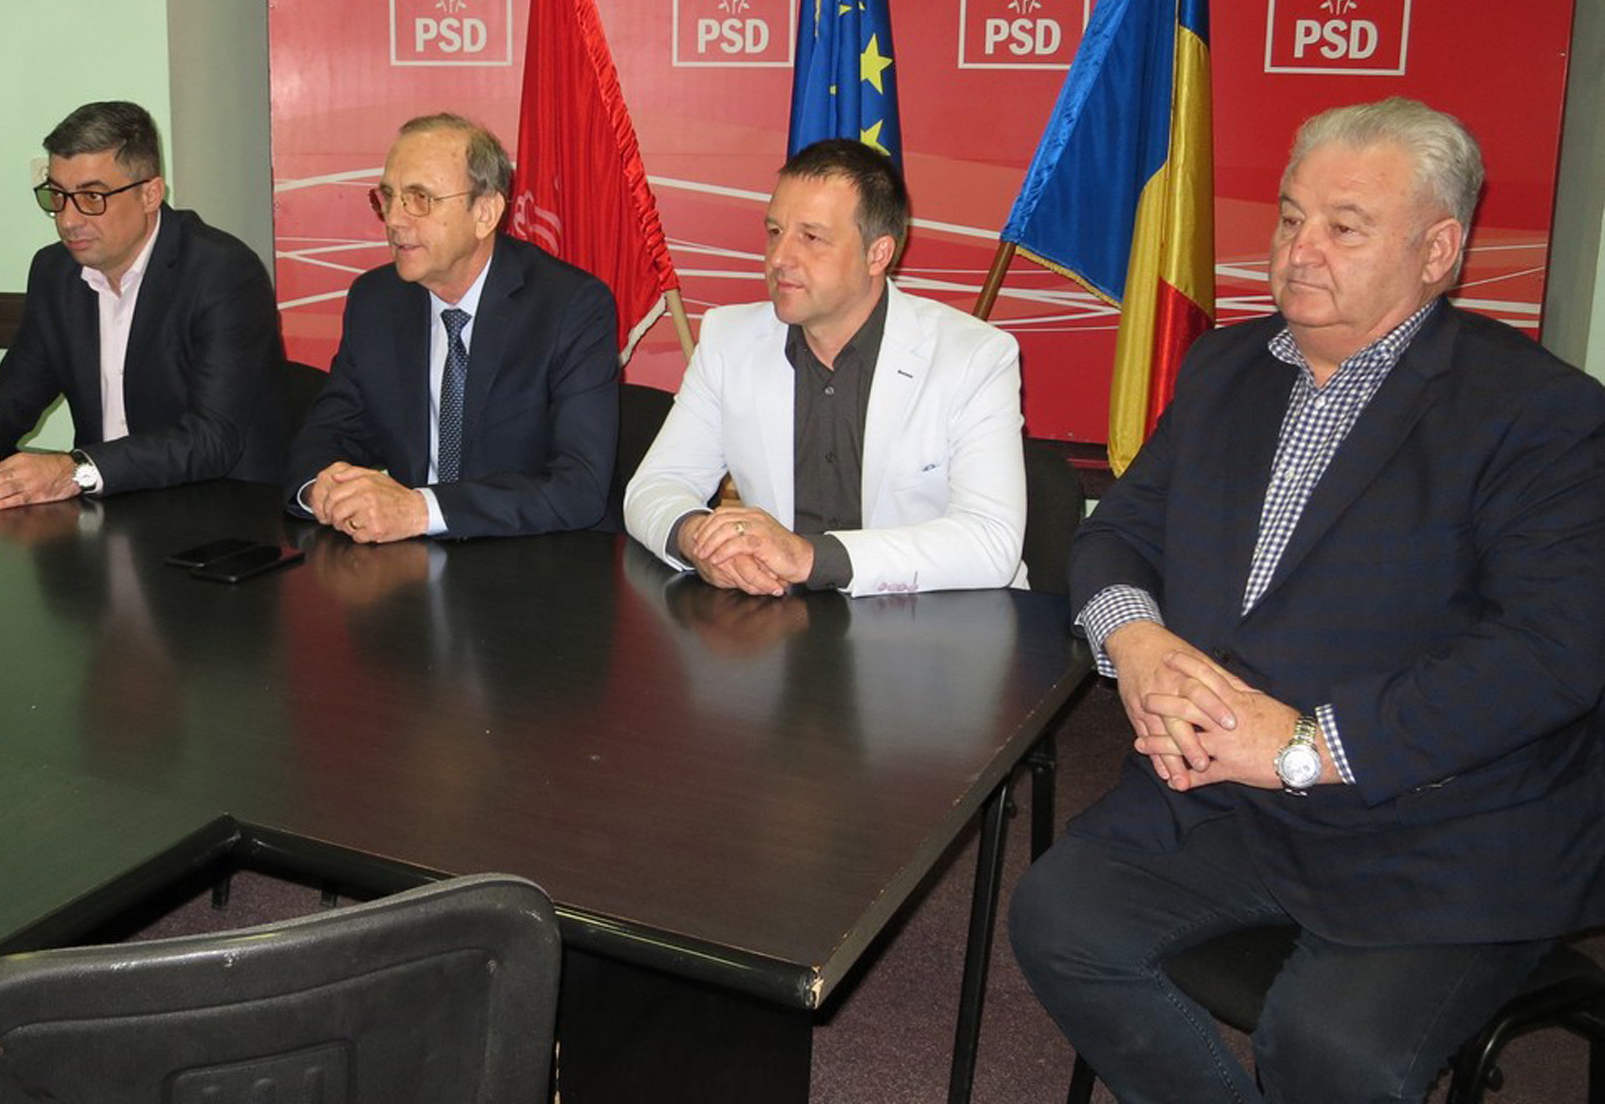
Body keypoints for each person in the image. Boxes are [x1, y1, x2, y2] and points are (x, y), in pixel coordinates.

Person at [1009, 98, 1605, 1103]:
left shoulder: (1539, 414)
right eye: (1290, 217)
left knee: (1327, 1046)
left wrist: (1304, 745)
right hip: (1225, 794)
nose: (1297, 250)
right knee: (1057, 920)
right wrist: (1138, 642)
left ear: (1437, 251)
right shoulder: (1224, 367)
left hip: (1438, 819)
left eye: (1343, 226)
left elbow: (1552, 653)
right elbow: (1118, 530)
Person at [623, 139, 1025, 596]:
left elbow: (991, 541)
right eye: (775, 231)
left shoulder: (974, 357)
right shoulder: (728, 340)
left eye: (810, 238)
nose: (778, 258)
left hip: (937, 620)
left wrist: (811, 557)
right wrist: (699, 538)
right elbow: (655, 486)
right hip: (780, 617)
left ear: (877, 254)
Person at [0, 101, 285, 509]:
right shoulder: (55, 271)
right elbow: (18, 387)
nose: (68, 220)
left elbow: (212, 438)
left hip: (221, 509)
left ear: (150, 194)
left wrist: (75, 470)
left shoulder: (221, 272)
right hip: (107, 504)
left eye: (91, 197)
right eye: (58, 196)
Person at [287, 113, 617, 541]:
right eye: (387, 197)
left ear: (485, 212)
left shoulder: (569, 306)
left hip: (532, 561)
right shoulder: (376, 300)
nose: (394, 220)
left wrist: (420, 510)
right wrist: (322, 488)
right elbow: (329, 432)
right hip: (404, 560)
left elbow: (579, 487)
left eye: (419, 199)